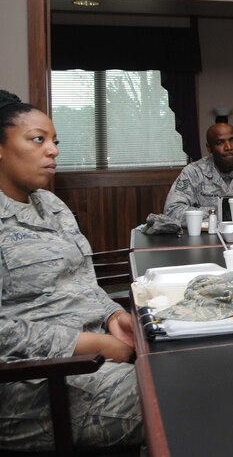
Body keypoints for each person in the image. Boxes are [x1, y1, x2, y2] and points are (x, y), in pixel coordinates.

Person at [0, 90, 143, 451]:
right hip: (38, 389)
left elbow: (82, 280)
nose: (53, 151)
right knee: (181, 399)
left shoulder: (50, 203)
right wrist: (88, 344)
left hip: (97, 362)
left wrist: (112, 315)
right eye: (38, 140)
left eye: (54, 141)